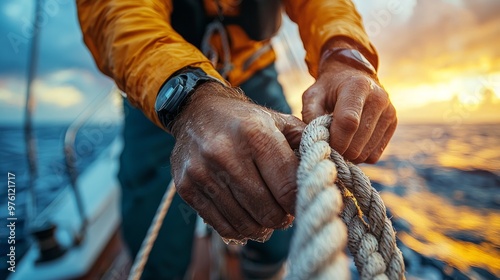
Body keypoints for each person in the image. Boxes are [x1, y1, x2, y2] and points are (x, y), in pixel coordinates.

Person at [77, 0, 397, 279]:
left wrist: (343, 52)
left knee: (286, 202)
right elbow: (117, 10)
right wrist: (186, 97)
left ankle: (266, 268)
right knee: (155, 237)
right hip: (161, 78)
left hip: (252, 69)